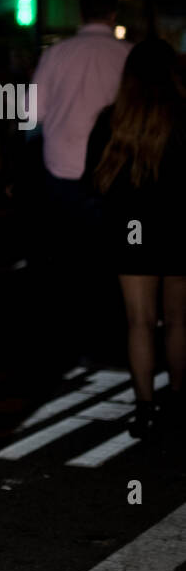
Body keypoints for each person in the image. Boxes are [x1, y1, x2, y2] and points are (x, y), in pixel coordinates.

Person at [84, 38, 186, 437]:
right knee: (179, 321)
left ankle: (144, 408)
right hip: (179, 227)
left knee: (139, 322)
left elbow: (93, 181)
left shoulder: (112, 119)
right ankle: (178, 399)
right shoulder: (184, 116)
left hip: (132, 232)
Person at [31, 0, 131, 364]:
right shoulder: (127, 55)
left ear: (81, 14)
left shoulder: (57, 54)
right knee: (111, 259)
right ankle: (110, 338)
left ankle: (71, 341)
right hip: (114, 171)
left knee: (68, 259)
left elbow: (32, 114)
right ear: (113, 14)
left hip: (62, 168)